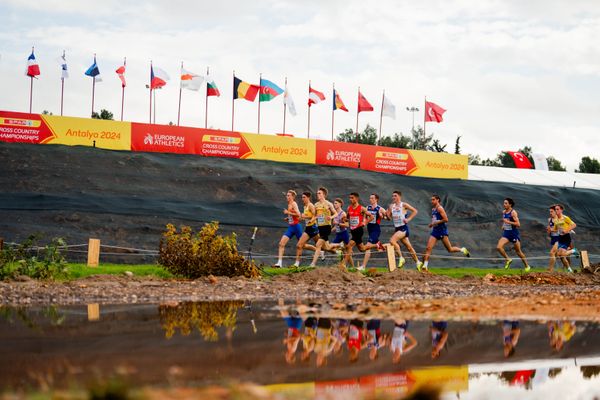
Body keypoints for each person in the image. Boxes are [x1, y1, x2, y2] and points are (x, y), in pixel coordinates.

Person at [419, 194, 470, 272]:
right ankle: (425, 266)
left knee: (450, 249)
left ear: (437, 200)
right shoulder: (433, 209)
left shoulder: (440, 208)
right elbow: (435, 219)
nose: (432, 201)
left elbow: (446, 219)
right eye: (431, 200)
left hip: (442, 231)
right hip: (435, 231)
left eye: (433, 199)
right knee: (428, 248)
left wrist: (437, 222)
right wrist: (432, 224)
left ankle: (462, 249)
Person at [387, 191, 419, 270]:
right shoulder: (391, 206)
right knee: (409, 247)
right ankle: (418, 262)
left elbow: (415, 211)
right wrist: (386, 214)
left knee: (392, 241)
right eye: (392, 196)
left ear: (399, 197)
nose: (393, 197)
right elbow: (389, 218)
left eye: (395, 196)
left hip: (403, 228)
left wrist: (409, 219)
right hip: (397, 228)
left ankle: (401, 258)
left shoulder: (403, 205)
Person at [496, 198, 531, 272]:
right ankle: (508, 259)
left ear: (510, 204)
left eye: (506, 203)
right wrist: (504, 225)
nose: (504, 204)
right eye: (504, 203)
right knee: (499, 247)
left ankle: (527, 266)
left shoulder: (513, 212)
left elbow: (518, 224)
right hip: (506, 233)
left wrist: (508, 222)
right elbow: (505, 220)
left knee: (518, 251)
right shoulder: (504, 212)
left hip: (513, 233)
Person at [309, 187, 337, 268]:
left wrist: (331, 217)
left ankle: (313, 264)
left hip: (327, 227)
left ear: (324, 195)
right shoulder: (316, 205)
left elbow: (335, 213)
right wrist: (312, 220)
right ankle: (340, 246)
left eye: (319, 193)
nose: (317, 194)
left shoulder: (328, 204)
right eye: (317, 193)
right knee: (326, 247)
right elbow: (315, 216)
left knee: (318, 245)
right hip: (320, 227)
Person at [344, 193, 373, 269]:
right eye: (350, 198)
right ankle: (376, 245)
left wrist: (365, 222)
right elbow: (347, 217)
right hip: (353, 230)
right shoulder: (349, 208)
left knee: (349, 246)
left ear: (356, 199)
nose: (351, 199)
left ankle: (343, 265)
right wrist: (345, 219)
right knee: (362, 249)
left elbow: (371, 216)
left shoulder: (361, 208)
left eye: (352, 198)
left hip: (359, 230)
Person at [274, 190, 302, 268]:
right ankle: (279, 263)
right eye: (287, 195)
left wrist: (288, 213)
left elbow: (298, 214)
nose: (287, 196)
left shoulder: (294, 204)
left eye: (289, 195)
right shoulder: (289, 204)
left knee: (302, 245)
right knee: (281, 244)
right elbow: (293, 215)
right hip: (291, 227)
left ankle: (318, 250)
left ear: (292, 197)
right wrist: (288, 218)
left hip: (296, 227)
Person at [359, 193, 386, 271]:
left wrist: (382, 216)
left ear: (376, 199)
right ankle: (387, 246)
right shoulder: (368, 207)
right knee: (380, 249)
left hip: (376, 229)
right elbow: (364, 217)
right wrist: (364, 221)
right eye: (370, 198)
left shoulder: (380, 209)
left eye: (372, 198)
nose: (370, 199)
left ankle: (363, 267)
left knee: (367, 246)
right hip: (369, 229)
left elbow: (388, 218)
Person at [293, 192, 319, 268]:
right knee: (299, 245)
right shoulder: (305, 206)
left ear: (308, 198)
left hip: (313, 227)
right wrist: (301, 218)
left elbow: (315, 215)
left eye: (304, 197)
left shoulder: (311, 205)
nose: (302, 199)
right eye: (302, 197)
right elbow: (304, 216)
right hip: (308, 228)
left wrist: (311, 219)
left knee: (324, 246)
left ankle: (337, 251)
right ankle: (296, 264)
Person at [553, 204, 578, 272]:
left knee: (562, 254)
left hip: (566, 238)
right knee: (559, 255)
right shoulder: (556, 220)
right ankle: (569, 270)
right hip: (560, 238)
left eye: (558, 209)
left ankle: (574, 250)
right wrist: (550, 229)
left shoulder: (565, 218)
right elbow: (555, 229)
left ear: (561, 210)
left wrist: (566, 230)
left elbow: (574, 225)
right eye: (555, 209)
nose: (556, 210)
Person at [547, 205, 561, 272]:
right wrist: (548, 231)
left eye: (551, 211)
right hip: (553, 238)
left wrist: (551, 230)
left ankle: (550, 269)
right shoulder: (549, 219)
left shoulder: (558, 219)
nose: (550, 213)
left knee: (552, 253)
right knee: (557, 254)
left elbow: (558, 229)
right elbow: (549, 229)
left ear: (555, 211)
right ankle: (572, 251)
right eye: (550, 211)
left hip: (559, 237)